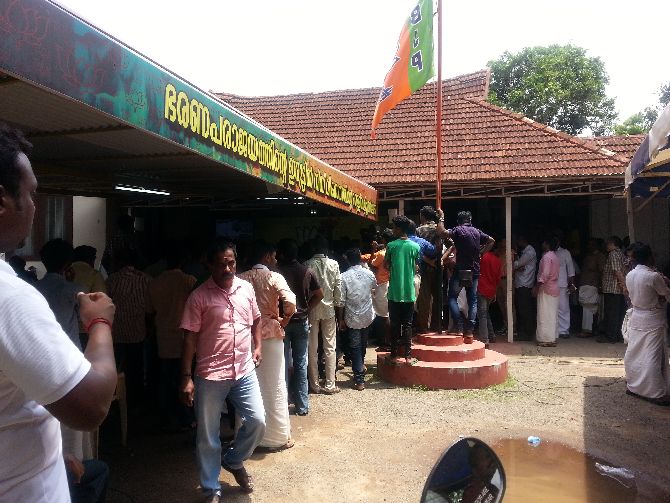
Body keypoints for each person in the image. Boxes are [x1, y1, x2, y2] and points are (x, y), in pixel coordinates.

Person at [0, 123, 117, 502]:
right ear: (2, 202)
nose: (35, 206)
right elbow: (92, 405)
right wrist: (100, 323)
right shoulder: (10, 297)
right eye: (31, 193)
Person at [180, 241, 266, 502]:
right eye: (221, 264)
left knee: (258, 421)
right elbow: (190, 339)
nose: (228, 268)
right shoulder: (199, 297)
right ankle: (210, 486)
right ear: (209, 265)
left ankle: (234, 460)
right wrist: (186, 377)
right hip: (210, 374)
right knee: (208, 435)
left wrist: (258, 346)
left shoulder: (246, 288)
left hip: (244, 369)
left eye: (231, 263)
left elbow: (257, 319)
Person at [239, 241, 296, 450]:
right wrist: (283, 321)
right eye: (273, 256)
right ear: (265, 257)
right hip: (271, 334)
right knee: (275, 385)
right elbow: (290, 302)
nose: (275, 260)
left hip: (246, 335)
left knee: (245, 386)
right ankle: (276, 437)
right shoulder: (274, 277)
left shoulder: (240, 278)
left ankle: (246, 437)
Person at [146, 244, 197, 431]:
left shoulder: (155, 282)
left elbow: (149, 311)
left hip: (163, 336)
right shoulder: (189, 281)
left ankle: (165, 416)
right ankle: (186, 416)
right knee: (185, 378)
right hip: (184, 338)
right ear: (184, 261)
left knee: (165, 379)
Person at [277, 239, 323, 416]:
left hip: (282, 322)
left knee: (282, 362)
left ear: (281, 254)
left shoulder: (276, 273)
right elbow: (319, 294)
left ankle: (283, 402)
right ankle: (302, 406)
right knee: (301, 362)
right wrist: (307, 308)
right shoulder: (307, 271)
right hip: (301, 322)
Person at [436, 209, 495, 342]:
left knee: (451, 297)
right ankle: (469, 331)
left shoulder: (458, 230)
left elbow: (442, 232)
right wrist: (481, 253)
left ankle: (459, 324)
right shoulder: (477, 231)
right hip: (474, 271)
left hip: (460, 270)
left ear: (459, 221)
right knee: (472, 301)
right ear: (470, 220)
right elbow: (491, 241)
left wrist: (441, 217)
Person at [623, 243, 670, 406]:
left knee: (635, 353)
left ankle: (634, 386)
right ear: (650, 257)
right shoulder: (653, 276)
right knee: (652, 356)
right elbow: (666, 294)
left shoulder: (630, 274)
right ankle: (656, 392)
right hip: (653, 318)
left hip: (637, 316)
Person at [106, 249, 151, 413]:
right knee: (136, 367)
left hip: (116, 331)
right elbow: (149, 306)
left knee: (115, 367)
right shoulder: (145, 279)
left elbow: (107, 302)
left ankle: (113, 399)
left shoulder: (112, 279)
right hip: (137, 331)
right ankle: (135, 400)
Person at [304, 235, 342, 394]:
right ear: (327, 250)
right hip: (329, 310)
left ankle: (314, 385)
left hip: (312, 309)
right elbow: (338, 289)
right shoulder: (334, 264)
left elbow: (305, 289)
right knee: (330, 347)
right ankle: (330, 385)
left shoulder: (307, 264)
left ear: (314, 249)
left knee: (312, 348)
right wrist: (339, 309)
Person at [338, 248, 376, 390]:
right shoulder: (369, 274)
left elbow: (341, 301)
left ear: (347, 260)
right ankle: (361, 368)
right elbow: (374, 289)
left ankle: (359, 379)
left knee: (355, 346)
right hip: (367, 315)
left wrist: (341, 319)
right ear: (360, 258)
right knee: (363, 343)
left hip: (352, 316)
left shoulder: (344, 276)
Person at [384, 215, 420, 364]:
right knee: (408, 324)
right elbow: (416, 266)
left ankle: (393, 355)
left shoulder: (391, 246)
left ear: (398, 229)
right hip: (409, 292)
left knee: (394, 324)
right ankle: (408, 356)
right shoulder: (415, 247)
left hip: (394, 292)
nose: (393, 230)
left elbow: (386, 265)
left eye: (394, 228)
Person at [361, 228, 393, 351]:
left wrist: (373, 249)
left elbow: (371, 265)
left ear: (384, 240)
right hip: (392, 284)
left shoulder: (381, 253)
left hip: (382, 285)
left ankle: (386, 344)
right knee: (389, 314)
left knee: (384, 316)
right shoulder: (394, 251)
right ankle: (389, 342)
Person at [415, 206, 440, 333]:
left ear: (423, 216)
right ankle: (437, 325)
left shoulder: (419, 230)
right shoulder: (439, 229)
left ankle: (423, 327)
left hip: (424, 266)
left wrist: (428, 260)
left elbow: (417, 248)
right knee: (438, 296)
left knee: (424, 298)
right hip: (439, 266)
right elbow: (451, 244)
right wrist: (441, 260)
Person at [598, 236, 627, 344]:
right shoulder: (621, 254)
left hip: (612, 288)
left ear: (612, 244)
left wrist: (623, 284)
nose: (606, 246)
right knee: (618, 313)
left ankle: (611, 336)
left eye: (608, 243)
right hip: (617, 289)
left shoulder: (613, 254)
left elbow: (616, 271)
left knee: (611, 313)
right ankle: (618, 335)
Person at [535, 237, 560, 347]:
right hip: (554, 287)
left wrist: (537, 286)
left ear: (547, 244)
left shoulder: (546, 257)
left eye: (544, 242)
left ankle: (546, 339)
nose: (542, 244)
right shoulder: (555, 256)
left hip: (546, 288)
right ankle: (552, 337)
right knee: (552, 314)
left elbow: (544, 274)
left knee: (544, 314)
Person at [477, 242, 503, 347]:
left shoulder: (484, 256)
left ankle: (484, 339)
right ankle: (491, 336)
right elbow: (498, 279)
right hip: (491, 290)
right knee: (485, 313)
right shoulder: (498, 262)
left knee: (482, 315)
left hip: (481, 288)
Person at [578, 238, 606, 337]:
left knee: (589, 308)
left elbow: (602, 272)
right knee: (586, 307)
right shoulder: (588, 256)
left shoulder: (600, 257)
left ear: (597, 246)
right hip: (585, 285)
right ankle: (588, 330)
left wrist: (601, 285)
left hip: (592, 284)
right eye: (589, 244)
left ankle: (588, 331)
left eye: (592, 244)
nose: (589, 246)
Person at [513, 235, 537, 341]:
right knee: (523, 309)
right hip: (521, 283)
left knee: (525, 310)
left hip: (524, 283)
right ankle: (525, 332)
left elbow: (517, 264)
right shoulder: (526, 251)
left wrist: (515, 264)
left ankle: (528, 333)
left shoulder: (529, 252)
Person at [555, 238, 576, 338]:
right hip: (550, 284)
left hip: (562, 284)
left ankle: (563, 331)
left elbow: (571, 269)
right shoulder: (547, 253)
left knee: (563, 308)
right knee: (552, 308)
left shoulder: (565, 252)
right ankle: (554, 329)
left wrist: (572, 284)